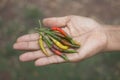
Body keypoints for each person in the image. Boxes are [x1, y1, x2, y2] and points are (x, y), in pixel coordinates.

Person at [13, 15, 120, 66]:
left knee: (59, 44)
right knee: (56, 44)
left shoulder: (60, 36)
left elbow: (62, 39)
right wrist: (105, 34)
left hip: (60, 40)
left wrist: (104, 34)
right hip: (58, 40)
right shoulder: (54, 37)